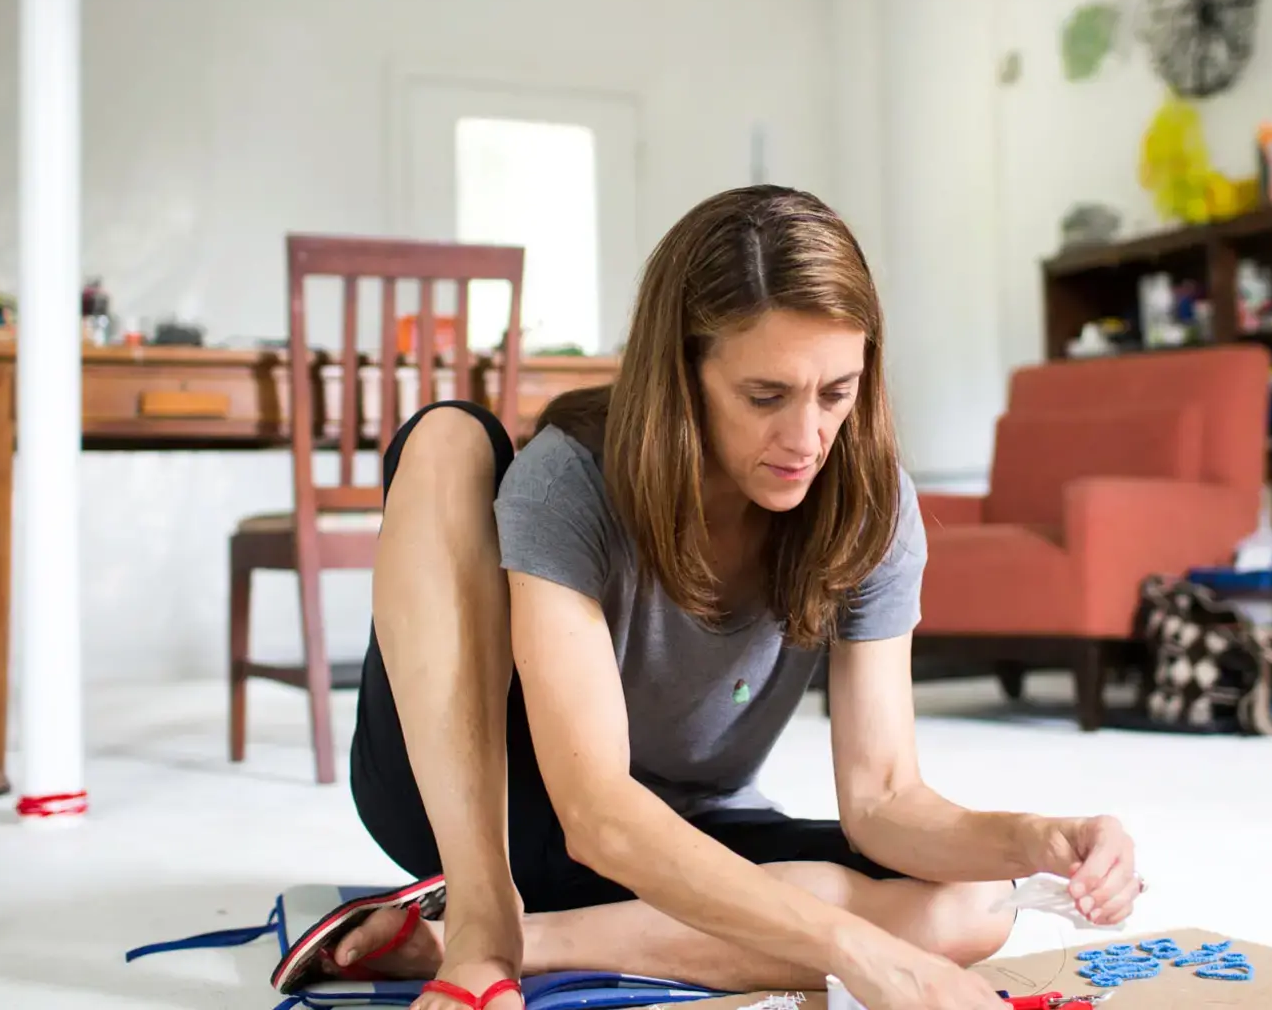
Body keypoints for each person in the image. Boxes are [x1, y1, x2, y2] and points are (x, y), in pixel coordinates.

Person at [329, 186, 1140, 1010]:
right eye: (766, 397)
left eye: (837, 392)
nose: (807, 440)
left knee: (978, 902)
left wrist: (1037, 838)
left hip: (673, 830)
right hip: (486, 799)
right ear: (682, 375)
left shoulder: (869, 503)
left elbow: (885, 799)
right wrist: (859, 954)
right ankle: (476, 918)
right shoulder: (570, 481)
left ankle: (531, 942)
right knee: (446, 437)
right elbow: (598, 815)